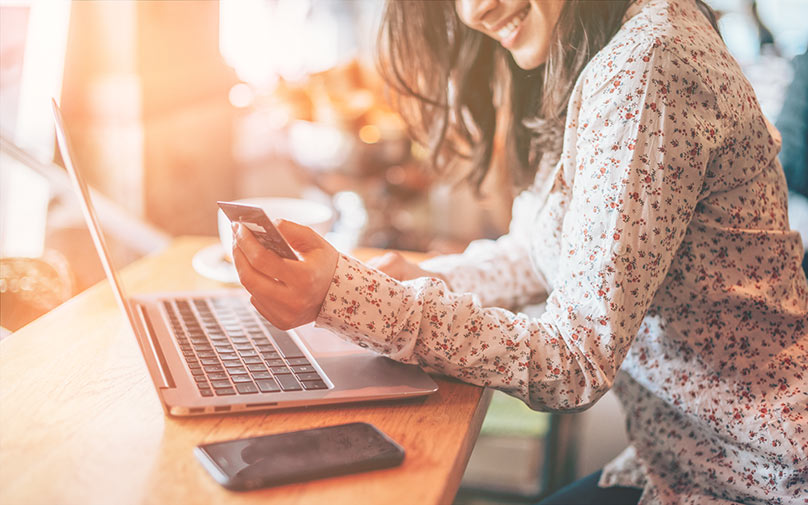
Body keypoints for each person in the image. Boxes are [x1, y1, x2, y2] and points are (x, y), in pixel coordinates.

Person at [231, 1, 808, 503]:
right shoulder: (603, 46)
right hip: (682, 463)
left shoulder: (647, 64)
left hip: (758, 478)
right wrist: (417, 277)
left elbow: (574, 362)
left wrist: (351, 302)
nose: (472, 10)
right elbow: (544, 254)